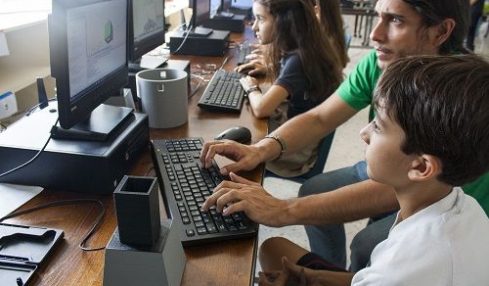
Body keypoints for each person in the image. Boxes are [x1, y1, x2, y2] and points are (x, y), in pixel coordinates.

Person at [200, 0, 489, 271]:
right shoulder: (380, 63)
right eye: (378, 17)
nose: (375, 34)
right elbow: (320, 117)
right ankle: (330, 271)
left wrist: (284, 210)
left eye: (396, 20)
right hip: (396, 163)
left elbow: (410, 182)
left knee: (367, 245)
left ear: (440, 31)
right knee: (314, 188)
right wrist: (262, 148)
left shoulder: (459, 99)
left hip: (437, 191)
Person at [257, 54, 489, 285]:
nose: (363, 132)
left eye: (378, 126)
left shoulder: (400, 269)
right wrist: (312, 277)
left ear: (420, 166)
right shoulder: (463, 204)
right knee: (273, 248)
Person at [239, 0, 343, 177]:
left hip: (294, 151)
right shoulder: (305, 46)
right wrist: (268, 70)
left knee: (233, 141)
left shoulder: (298, 60)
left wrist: (251, 87)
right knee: (240, 123)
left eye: (260, 19)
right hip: (299, 134)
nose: (254, 26)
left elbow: (262, 109)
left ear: (283, 21)